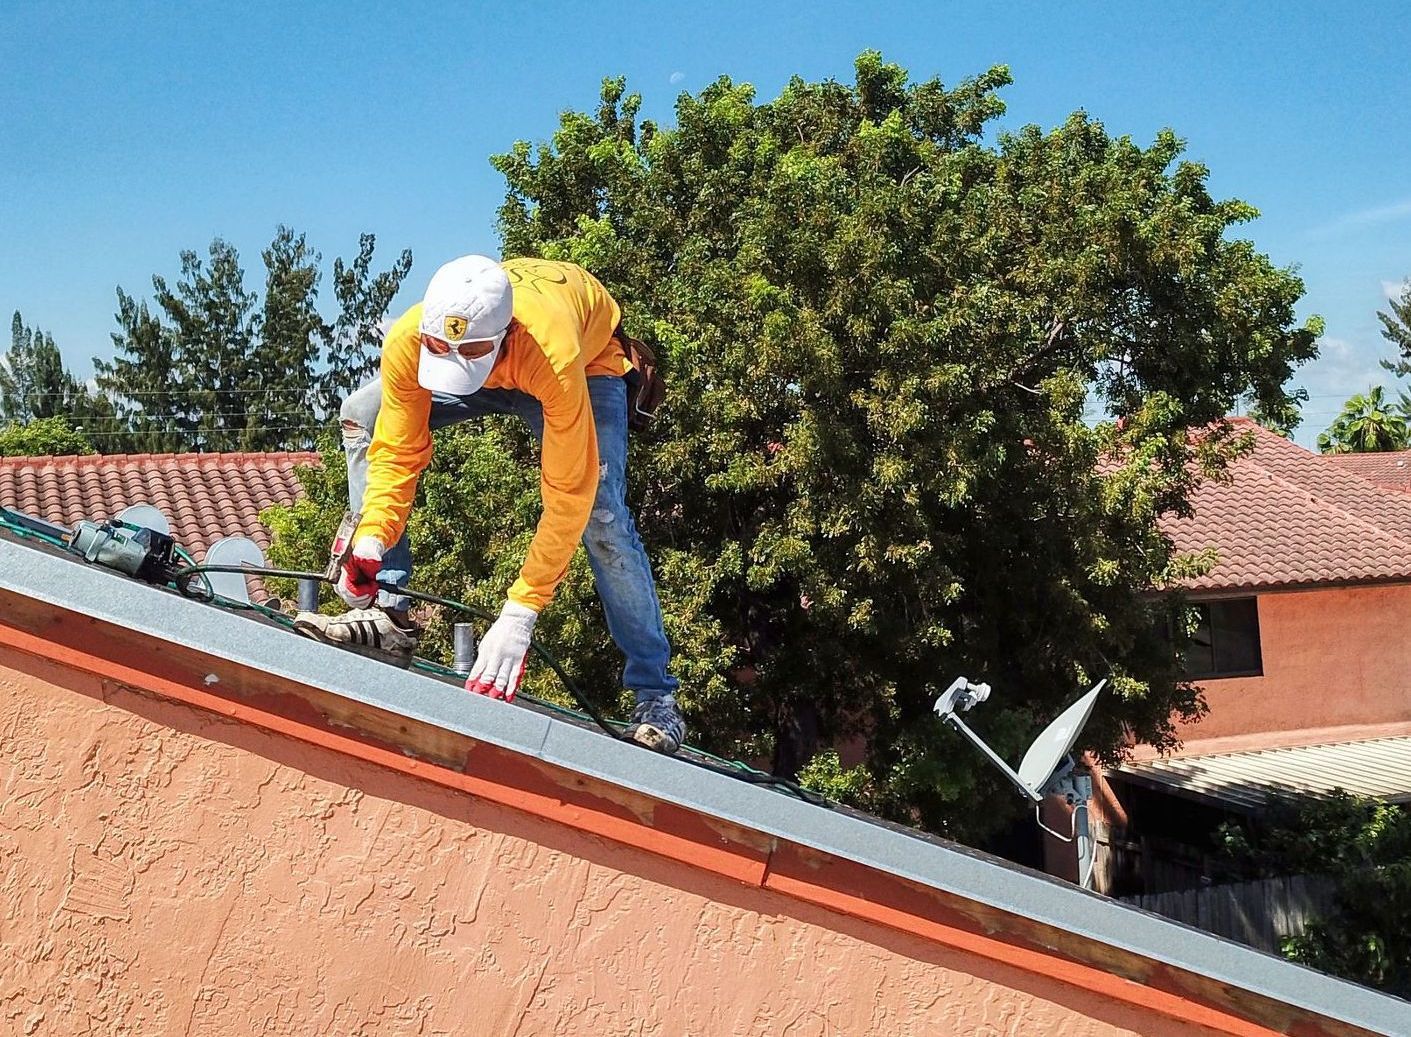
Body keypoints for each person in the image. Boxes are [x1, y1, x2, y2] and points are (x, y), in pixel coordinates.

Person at [295, 254, 685, 754]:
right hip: (503, 356)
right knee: (363, 416)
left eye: (470, 352)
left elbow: (568, 494)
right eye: (441, 349)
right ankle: (387, 616)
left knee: (601, 514)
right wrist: (373, 536)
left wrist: (520, 613)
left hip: (585, 368)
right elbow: (397, 450)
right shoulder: (411, 339)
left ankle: (656, 698)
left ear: (502, 337)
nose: (453, 358)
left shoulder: (551, 349)